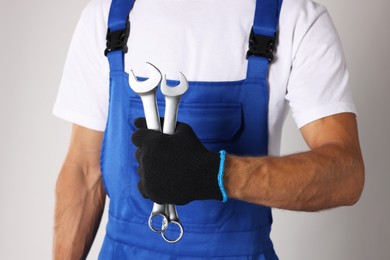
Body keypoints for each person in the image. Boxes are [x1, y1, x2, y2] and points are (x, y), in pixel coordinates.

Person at [53, 0, 365, 258]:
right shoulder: (107, 18)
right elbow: (83, 171)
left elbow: (346, 175)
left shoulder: (295, 18)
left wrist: (216, 173)